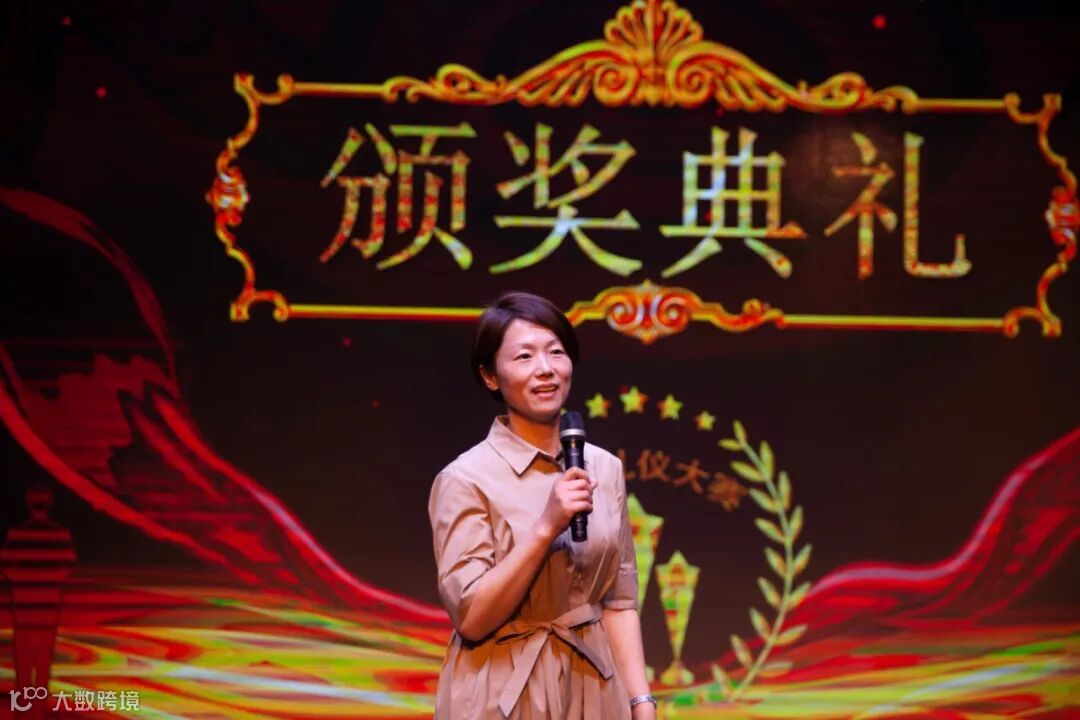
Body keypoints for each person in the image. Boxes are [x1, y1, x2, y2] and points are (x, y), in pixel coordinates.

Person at [428, 291, 656, 719]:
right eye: (524, 356)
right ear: (490, 376)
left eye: (555, 352)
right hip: (499, 689)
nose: (545, 368)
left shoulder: (603, 469)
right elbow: (471, 618)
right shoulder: (465, 478)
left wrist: (640, 703)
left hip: (593, 687)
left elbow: (619, 602)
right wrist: (546, 526)